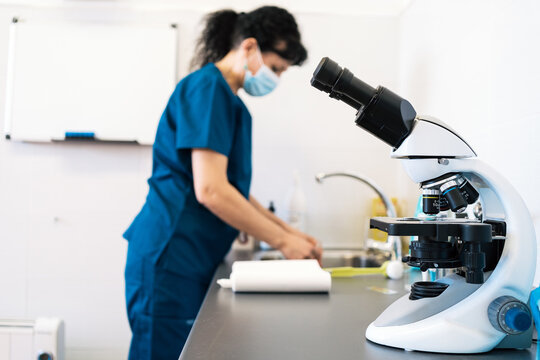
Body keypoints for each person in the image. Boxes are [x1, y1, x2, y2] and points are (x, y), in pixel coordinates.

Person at [123, 5, 323, 360]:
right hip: (170, 259)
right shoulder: (207, 90)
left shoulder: (230, 103)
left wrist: (291, 236)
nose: (275, 79)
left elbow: (235, 190)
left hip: (189, 258)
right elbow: (211, 190)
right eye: (275, 68)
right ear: (249, 47)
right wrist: (281, 240)